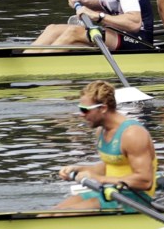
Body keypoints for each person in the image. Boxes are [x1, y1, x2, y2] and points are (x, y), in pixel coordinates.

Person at [55, 80, 158, 211]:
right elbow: (111, 166)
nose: (81, 114)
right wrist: (79, 169)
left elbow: (145, 181)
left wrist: (98, 179)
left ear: (103, 108)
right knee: (50, 213)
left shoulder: (133, 134)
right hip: (110, 191)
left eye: (85, 110)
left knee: (63, 215)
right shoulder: (101, 131)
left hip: (136, 198)